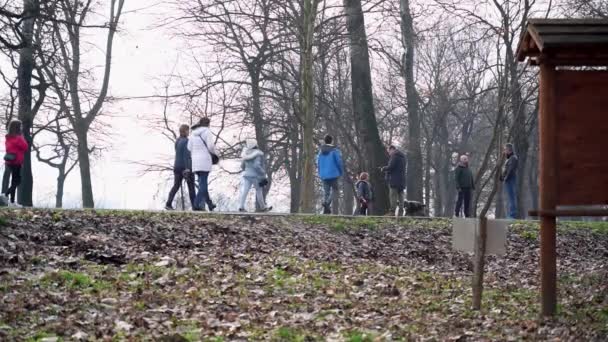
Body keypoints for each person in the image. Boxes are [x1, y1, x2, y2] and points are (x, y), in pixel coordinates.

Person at [187, 117, 217, 212]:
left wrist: (195, 154)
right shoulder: (207, 132)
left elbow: (189, 148)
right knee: (203, 184)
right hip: (204, 160)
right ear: (208, 124)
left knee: (202, 183)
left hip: (195, 161)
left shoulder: (193, 134)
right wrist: (213, 153)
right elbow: (211, 146)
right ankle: (196, 204)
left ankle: (210, 204)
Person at [165, 125, 196, 210]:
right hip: (185, 168)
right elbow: (187, 156)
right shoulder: (187, 141)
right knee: (191, 187)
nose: (189, 132)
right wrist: (188, 168)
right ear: (185, 131)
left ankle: (168, 204)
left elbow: (178, 153)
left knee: (176, 186)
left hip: (177, 167)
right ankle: (195, 206)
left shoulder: (177, 141)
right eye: (188, 130)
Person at [238, 139, 272, 213]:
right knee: (259, 190)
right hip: (255, 176)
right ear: (255, 145)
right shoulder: (258, 154)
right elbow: (256, 165)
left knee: (245, 191)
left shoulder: (245, 153)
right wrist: (262, 172)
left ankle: (241, 207)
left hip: (247, 175)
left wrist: (246, 170)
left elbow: (242, 165)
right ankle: (263, 208)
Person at [2, 120, 28, 205]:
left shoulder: (8, 137)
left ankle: (12, 202)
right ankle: (6, 194)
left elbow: (8, 148)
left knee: (14, 180)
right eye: (20, 126)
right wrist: (22, 136)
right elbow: (25, 147)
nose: (21, 128)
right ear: (17, 128)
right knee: (17, 181)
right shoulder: (18, 138)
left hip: (9, 161)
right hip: (17, 161)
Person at [317, 135, 343, 214]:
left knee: (326, 192)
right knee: (335, 190)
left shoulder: (320, 152)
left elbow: (318, 163)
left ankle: (326, 210)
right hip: (333, 173)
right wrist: (340, 171)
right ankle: (327, 203)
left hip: (323, 175)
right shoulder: (334, 150)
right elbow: (339, 162)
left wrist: (320, 172)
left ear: (325, 141)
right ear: (331, 141)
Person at [382, 145, 406, 216]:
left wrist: (383, 168)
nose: (389, 153)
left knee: (393, 196)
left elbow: (391, 167)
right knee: (401, 196)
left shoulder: (394, 156)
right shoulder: (403, 157)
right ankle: (401, 212)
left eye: (389, 151)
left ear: (392, 149)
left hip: (394, 180)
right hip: (402, 180)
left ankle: (392, 212)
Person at [500, 143, 519, 219]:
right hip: (509, 178)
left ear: (509, 150)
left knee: (512, 197)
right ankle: (511, 214)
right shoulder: (509, 158)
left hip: (511, 179)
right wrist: (502, 176)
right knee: (510, 197)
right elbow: (506, 169)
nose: (504, 151)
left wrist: (506, 178)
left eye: (505, 149)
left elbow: (511, 170)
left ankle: (512, 215)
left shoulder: (513, 158)